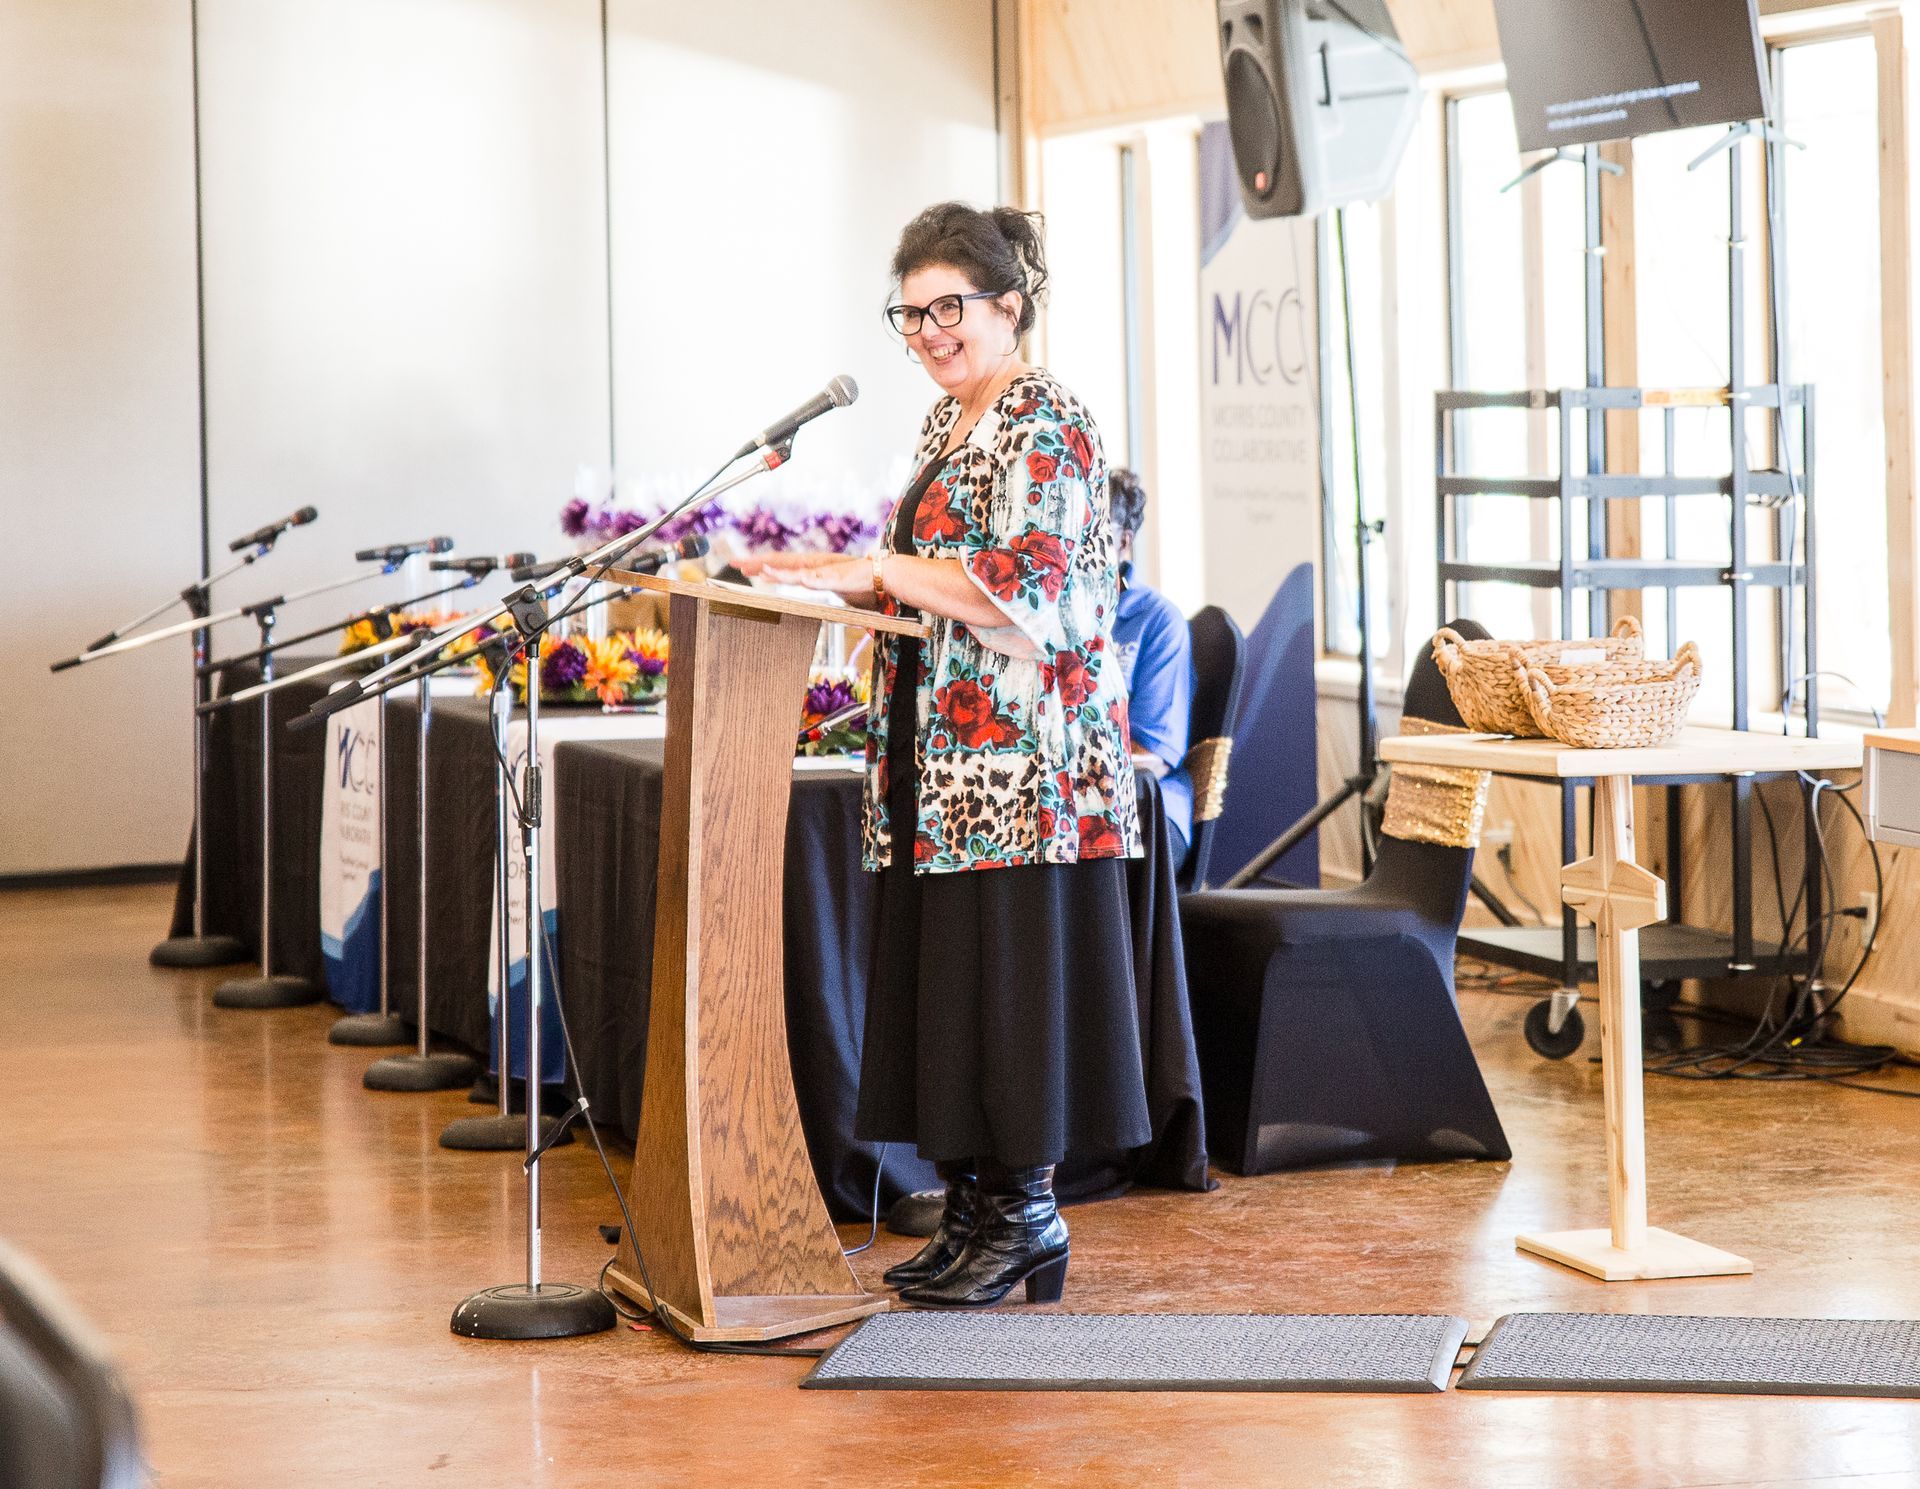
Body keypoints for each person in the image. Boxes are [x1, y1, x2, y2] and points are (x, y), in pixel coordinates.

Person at [741, 202, 1147, 1309]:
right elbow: (926, 586)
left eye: (947, 308)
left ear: (1008, 304)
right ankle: (973, 1206)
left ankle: (1025, 1214)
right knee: (954, 988)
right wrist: (841, 579)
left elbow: (1029, 594)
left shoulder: (1046, 418)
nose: (926, 331)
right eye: (909, 312)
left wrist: (867, 568)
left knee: (1008, 992)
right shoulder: (943, 425)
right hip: (940, 761)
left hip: (1023, 771)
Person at [1107, 468, 1196, 868]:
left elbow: (1153, 757)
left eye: (1093, 533)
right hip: (1079, 805)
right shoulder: (1050, 617)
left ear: (1124, 541)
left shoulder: (1158, 621)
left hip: (1151, 814)